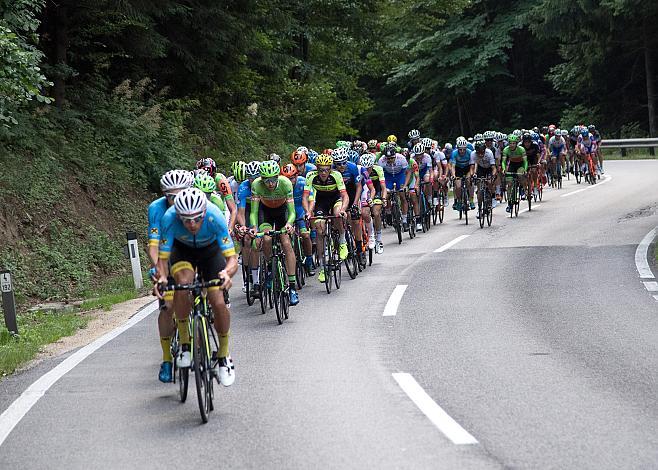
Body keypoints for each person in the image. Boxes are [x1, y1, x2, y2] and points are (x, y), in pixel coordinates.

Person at [154, 188, 238, 387]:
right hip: (182, 251)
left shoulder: (214, 216)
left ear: (203, 213)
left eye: (196, 219)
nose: (192, 224)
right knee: (182, 286)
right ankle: (185, 344)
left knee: (218, 302)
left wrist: (227, 273)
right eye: (186, 220)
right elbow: (162, 259)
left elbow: (232, 259)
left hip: (211, 252)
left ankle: (224, 356)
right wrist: (162, 279)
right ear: (178, 215)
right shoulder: (169, 218)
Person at [148, 169, 194, 383]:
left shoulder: (198, 204)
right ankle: (166, 359)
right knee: (167, 305)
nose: (175, 200)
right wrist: (158, 268)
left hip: (192, 249)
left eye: (179, 194)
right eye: (170, 196)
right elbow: (154, 245)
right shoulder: (156, 209)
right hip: (168, 253)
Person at [249, 161, 299, 306]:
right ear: (261, 179)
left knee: (286, 243)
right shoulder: (256, 185)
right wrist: (253, 227)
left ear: (278, 176)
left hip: (282, 212)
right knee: (266, 238)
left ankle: (292, 288)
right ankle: (271, 266)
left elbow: (292, 212)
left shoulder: (285, 184)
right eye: (266, 180)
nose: (270, 184)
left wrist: (289, 224)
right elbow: (253, 212)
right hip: (266, 213)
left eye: (273, 179)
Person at [303, 154, 350, 283]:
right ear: (317, 168)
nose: (323, 173)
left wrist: (342, 210)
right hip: (321, 202)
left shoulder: (336, 175)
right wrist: (307, 211)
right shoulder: (310, 176)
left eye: (326, 169)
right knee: (319, 229)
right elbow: (305, 197)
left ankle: (342, 241)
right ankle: (324, 267)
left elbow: (345, 196)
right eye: (321, 170)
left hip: (336, 199)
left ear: (330, 168)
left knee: (337, 215)